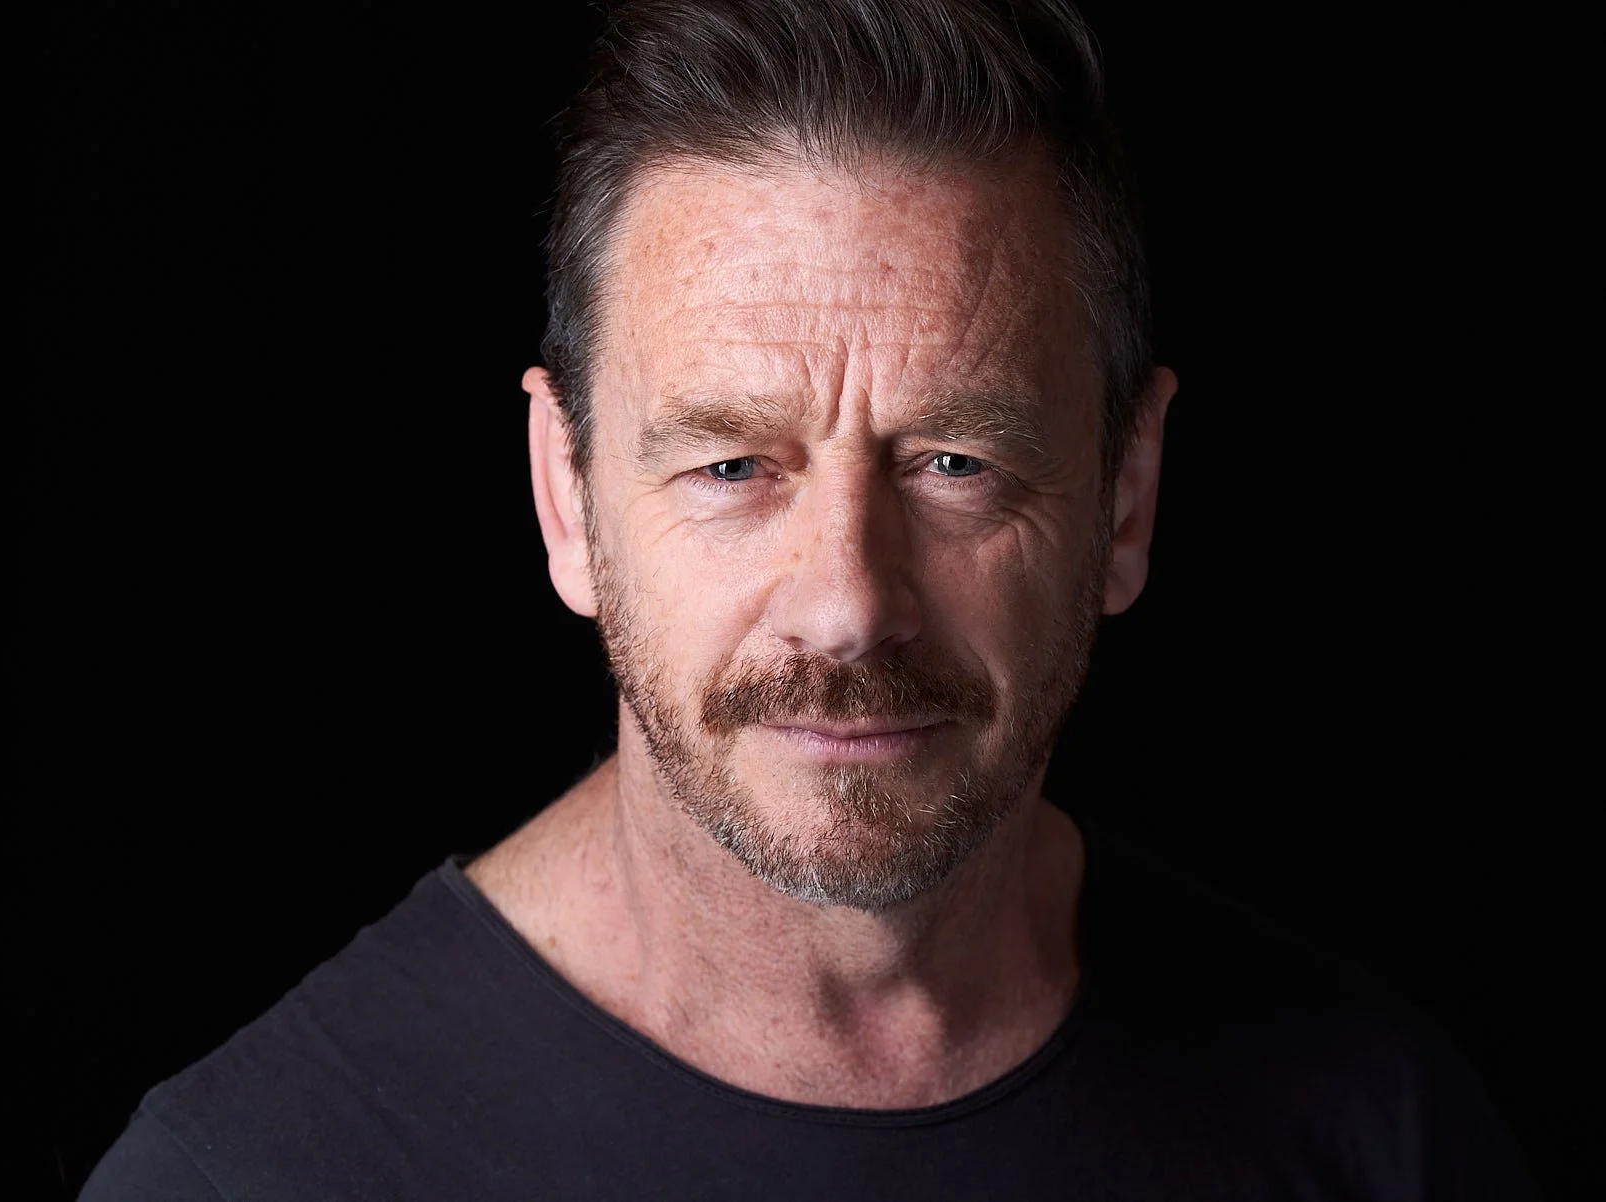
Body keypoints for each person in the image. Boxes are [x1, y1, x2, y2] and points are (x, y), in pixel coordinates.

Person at [79, 1, 1539, 1197]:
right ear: (566, 499)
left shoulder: (1378, 1134)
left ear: (1126, 496)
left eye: (956, 461)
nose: (847, 605)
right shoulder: (256, 1174)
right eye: (730, 464)